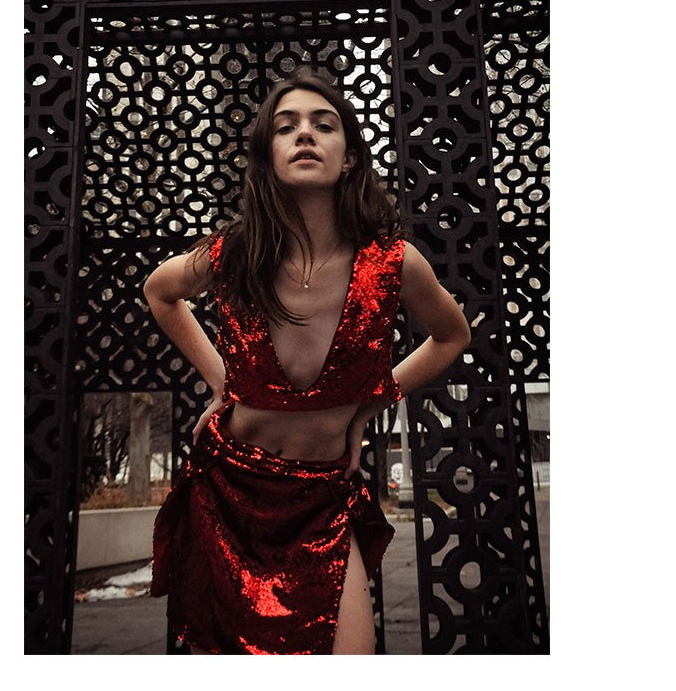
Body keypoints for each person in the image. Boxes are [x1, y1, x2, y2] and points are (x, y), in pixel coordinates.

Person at [144, 67, 471, 655]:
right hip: (230, 492)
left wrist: (368, 408)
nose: (304, 134)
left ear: (349, 158)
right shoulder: (235, 253)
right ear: (268, 158)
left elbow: (452, 336)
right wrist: (222, 381)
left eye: (324, 125)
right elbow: (160, 291)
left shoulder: (392, 262)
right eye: (285, 126)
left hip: (322, 501)